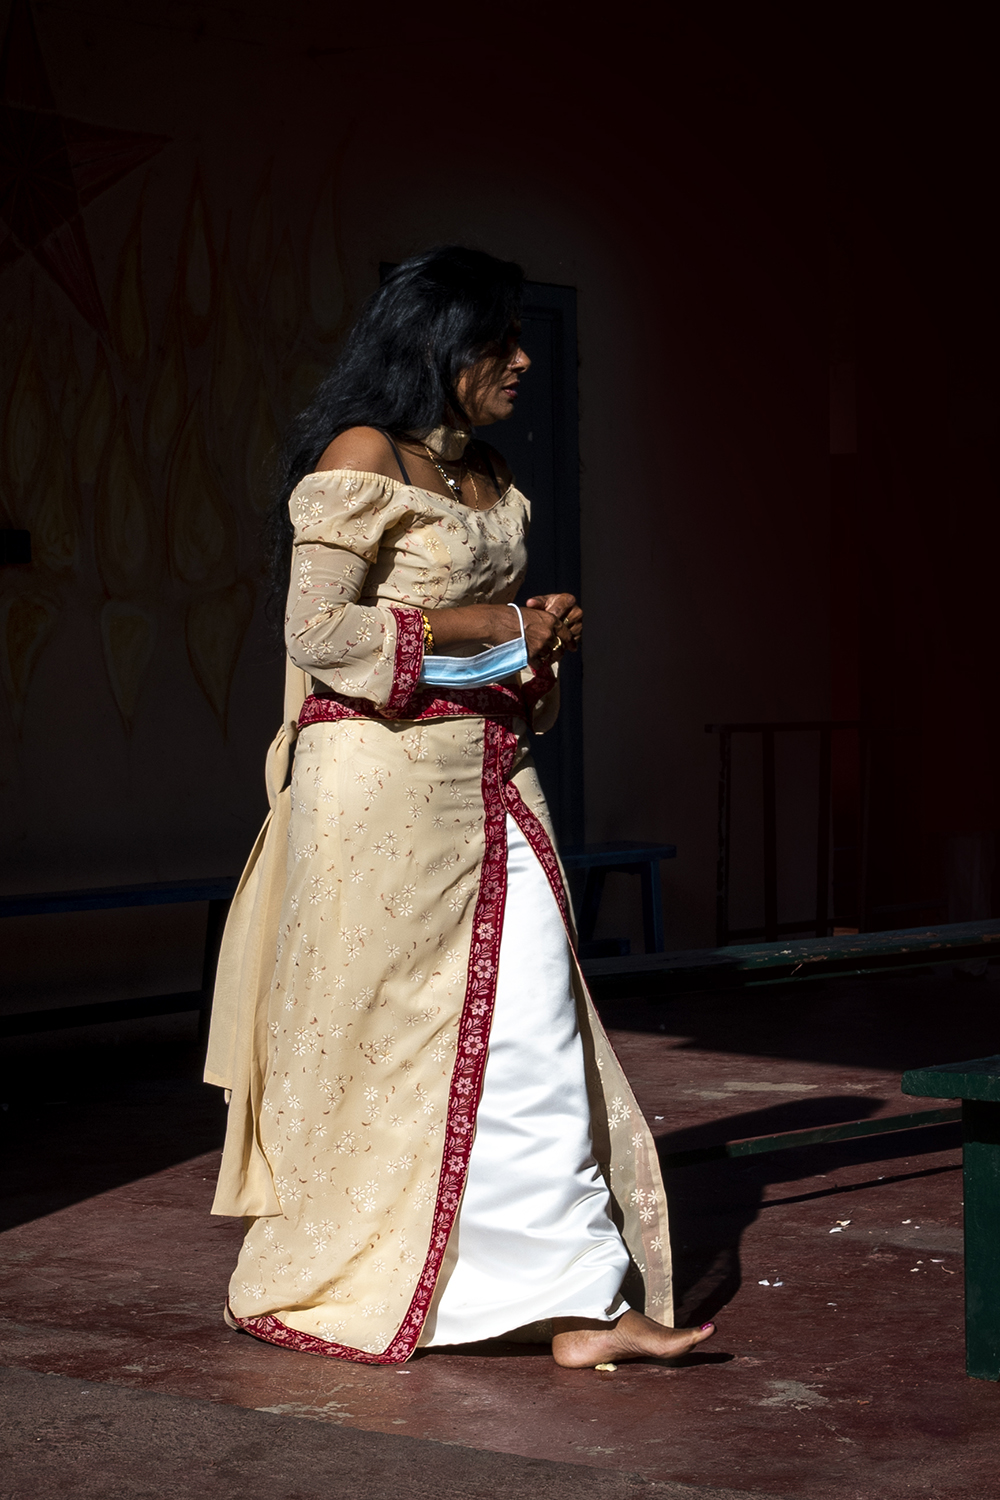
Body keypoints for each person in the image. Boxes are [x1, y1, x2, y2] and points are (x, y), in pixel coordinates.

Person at [204, 245, 715, 1368]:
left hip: (488, 780)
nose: (523, 360)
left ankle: (580, 1304)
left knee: (530, 1024)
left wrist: (539, 649)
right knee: (384, 1046)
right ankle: (372, 1275)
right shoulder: (361, 457)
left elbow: (494, 657)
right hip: (373, 793)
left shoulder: (485, 473)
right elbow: (315, 638)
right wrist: (483, 630)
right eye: (501, 341)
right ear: (438, 346)